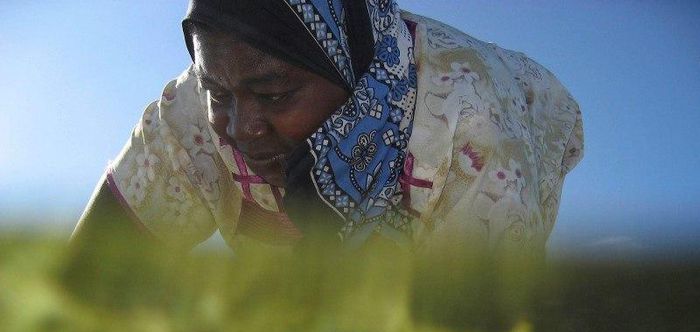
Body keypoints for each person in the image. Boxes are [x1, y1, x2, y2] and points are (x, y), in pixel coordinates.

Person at [72, 0, 583, 253]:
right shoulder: (195, 110)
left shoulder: (477, 133)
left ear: (357, 77)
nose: (242, 127)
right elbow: (85, 283)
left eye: (274, 95)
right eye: (220, 94)